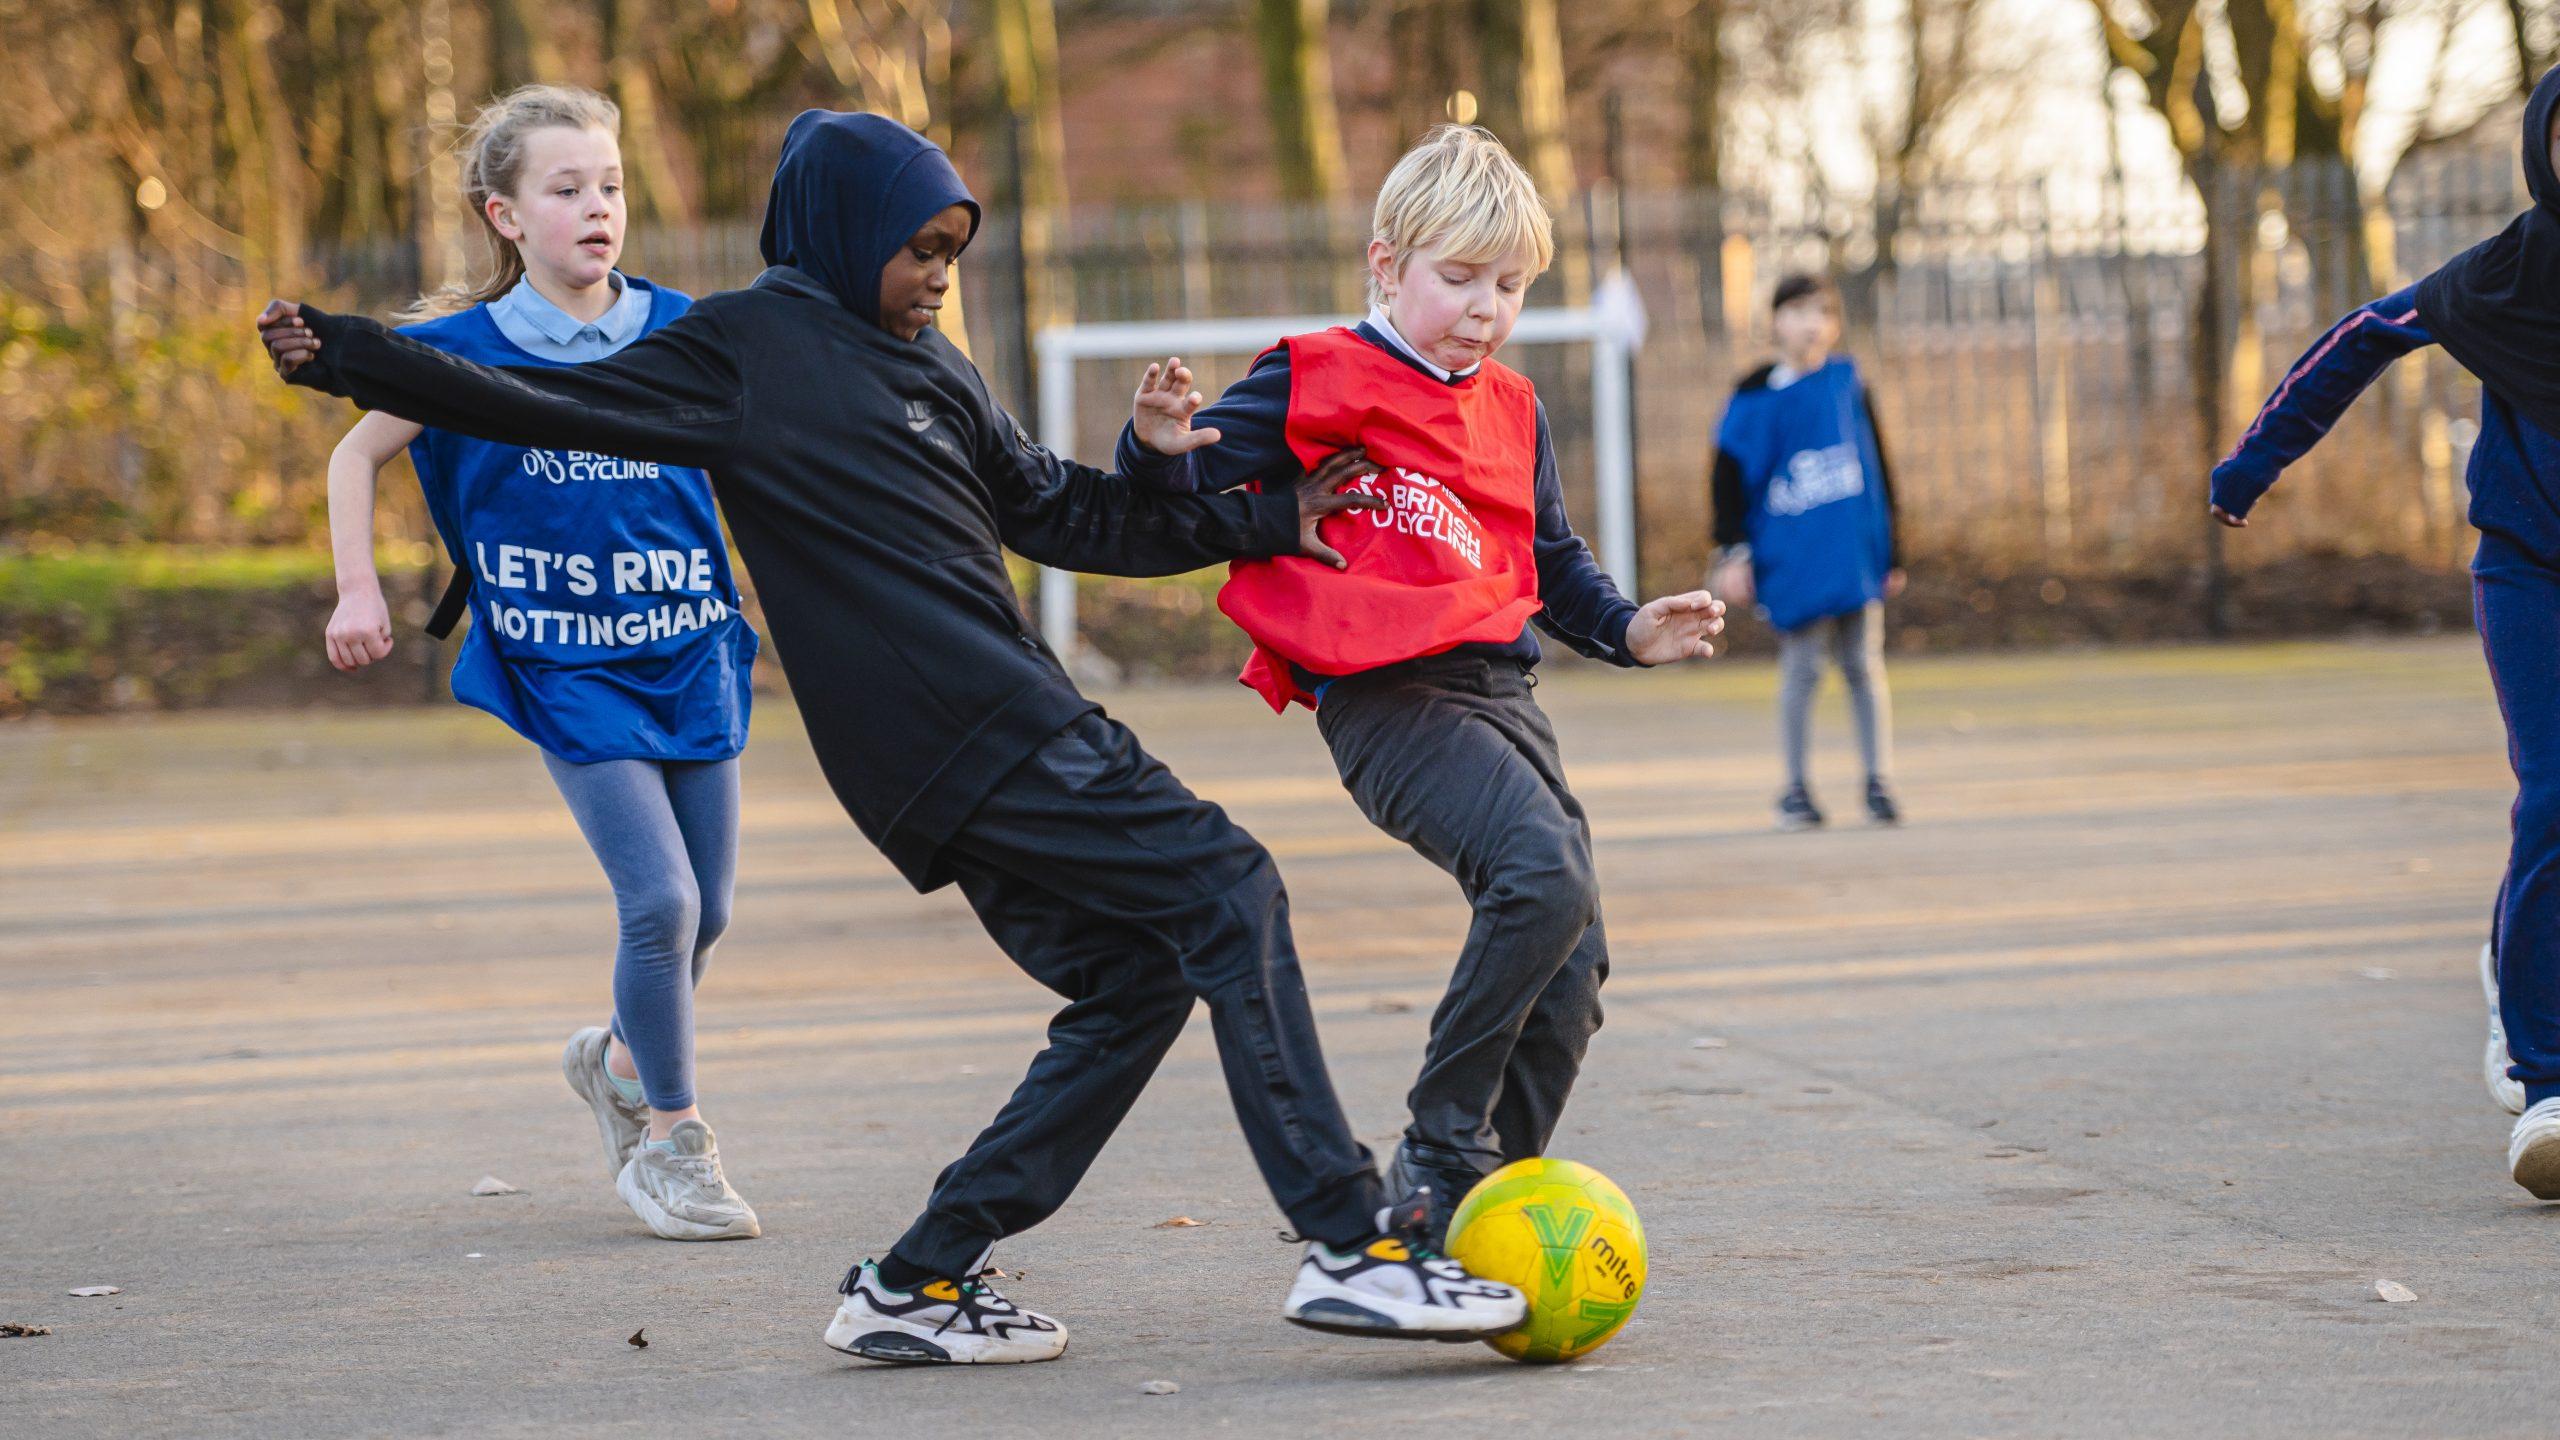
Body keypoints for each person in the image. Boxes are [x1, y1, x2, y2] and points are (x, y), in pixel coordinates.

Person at [256, 110, 1527, 1363]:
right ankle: (1356, 1246)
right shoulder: (741, 348)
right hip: (980, 730)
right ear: (846, 231)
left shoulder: (936, 369)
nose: (935, 275)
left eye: (952, 252)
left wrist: (1246, 513)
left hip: (963, 751)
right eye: (917, 248)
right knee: (1231, 888)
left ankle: (914, 1282)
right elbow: (531, 395)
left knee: (1134, 981)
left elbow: (1066, 516)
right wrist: (351, 354)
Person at [1112, 125, 1725, 1245]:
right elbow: (1187, 479)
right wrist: (1155, 446)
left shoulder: (1515, 407)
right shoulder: (1317, 373)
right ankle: (1437, 1154)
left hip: (1502, 698)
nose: (1486, 308)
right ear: (1385, 265)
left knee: (1573, 964)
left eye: (1510, 285)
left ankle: (1475, 1212)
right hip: (1389, 702)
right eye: (1458, 280)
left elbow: (1548, 559)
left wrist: (1627, 627)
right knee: (1538, 877)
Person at [320, 85, 760, 1242]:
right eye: (565, 190)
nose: (596, 207)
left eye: (609, 185)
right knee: (657, 902)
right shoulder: (452, 356)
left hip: (692, 645)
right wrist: (359, 587)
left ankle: (616, 1059)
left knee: (708, 911)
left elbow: (770, 461)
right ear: (504, 215)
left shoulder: (685, 330)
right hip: (564, 661)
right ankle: (670, 1137)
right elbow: (352, 458)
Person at [2213, 64, 2560, 1200]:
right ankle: (2546, 1079)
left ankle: (2511, 959)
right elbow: (2364, 332)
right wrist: (2255, 459)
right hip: (2530, 568)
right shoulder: (2508, 273)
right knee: (2555, 798)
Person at [1707, 272, 1905, 831]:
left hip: (1852, 551)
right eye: (1797, 310)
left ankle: (1878, 781)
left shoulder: (1848, 384)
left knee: (1865, 665)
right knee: (1803, 669)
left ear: (1835, 323)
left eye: (1822, 311)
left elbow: (1878, 466)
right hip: (1793, 557)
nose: (1811, 323)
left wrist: (1893, 551)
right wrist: (1733, 550)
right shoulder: (1751, 400)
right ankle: (1796, 788)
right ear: (1775, 321)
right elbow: (1726, 482)